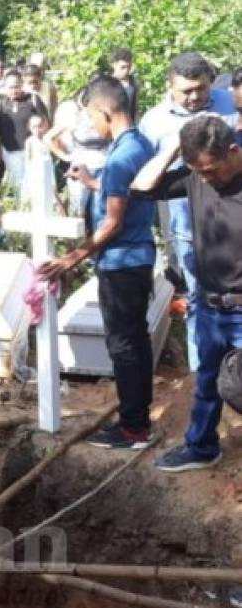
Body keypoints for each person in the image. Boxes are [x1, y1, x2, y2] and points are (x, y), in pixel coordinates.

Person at [38, 76, 155, 449]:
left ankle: (134, 429)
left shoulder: (120, 158)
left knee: (123, 346)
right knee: (135, 341)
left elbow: (114, 221)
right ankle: (137, 418)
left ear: (105, 111)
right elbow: (124, 194)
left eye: (91, 117)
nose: (90, 125)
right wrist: (91, 182)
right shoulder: (138, 145)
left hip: (122, 264)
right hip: (137, 260)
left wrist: (70, 258)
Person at [130, 115, 242, 470]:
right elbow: (142, 187)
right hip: (209, 305)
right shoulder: (195, 177)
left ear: (233, 151)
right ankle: (202, 447)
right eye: (199, 170)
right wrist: (177, 146)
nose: (206, 177)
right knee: (206, 379)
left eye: (211, 169)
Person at [139, 52, 236, 373]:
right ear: (170, 86)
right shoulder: (154, 122)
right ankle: (201, 369)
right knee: (199, 297)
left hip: (235, 217)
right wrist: (177, 147)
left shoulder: (229, 102)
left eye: (201, 88)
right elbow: (145, 180)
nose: (195, 97)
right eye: (186, 91)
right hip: (189, 221)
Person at [46, 76, 110, 216]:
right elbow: (49, 138)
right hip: (81, 166)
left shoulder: (105, 116)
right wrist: (66, 157)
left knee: (101, 210)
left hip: (104, 165)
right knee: (78, 209)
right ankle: (76, 238)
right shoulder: (75, 116)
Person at [0, 70, 48, 194]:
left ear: (22, 85)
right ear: (5, 87)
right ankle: (22, 208)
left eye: (17, 86)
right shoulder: (1, 105)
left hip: (31, 150)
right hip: (10, 152)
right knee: (18, 185)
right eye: (11, 87)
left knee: (34, 183)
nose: (14, 90)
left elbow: (45, 123)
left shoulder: (33, 100)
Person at [21, 113, 56, 210]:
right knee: (36, 197)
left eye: (39, 126)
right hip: (35, 173)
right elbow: (27, 161)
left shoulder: (47, 139)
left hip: (48, 171)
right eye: (34, 127)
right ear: (29, 127)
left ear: (44, 126)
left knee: (50, 196)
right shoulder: (29, 141)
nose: (37, 130)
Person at [111, 47, 139, 121]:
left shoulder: (132, 84)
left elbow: (135, 109)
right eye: (122, 67)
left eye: (128, 67)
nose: (126, 71)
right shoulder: (108, 84)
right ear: (114, 65)